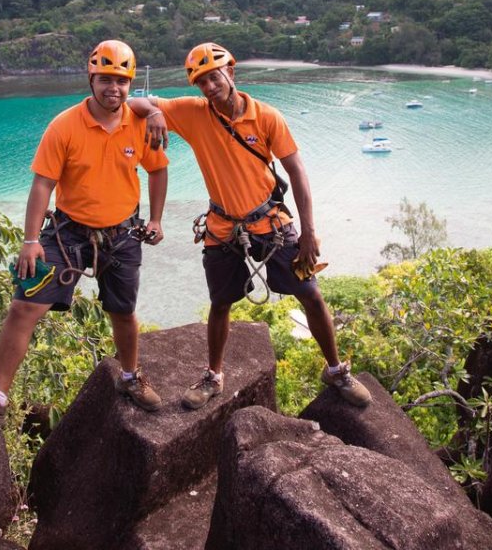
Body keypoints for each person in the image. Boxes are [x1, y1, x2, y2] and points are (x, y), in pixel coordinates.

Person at [128, 42, 370, 410]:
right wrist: (153, 114)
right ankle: (213, 375)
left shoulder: (266, 116)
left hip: (268, 221)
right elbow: (132, 101)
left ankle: (335, 370)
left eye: (214, 76)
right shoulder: (193, 113)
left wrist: (307, 231)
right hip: (222, 224)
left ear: (231, 72)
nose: (210, 87)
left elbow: (297, 173)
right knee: (221, 303)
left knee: (310, 293)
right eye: (201, 82)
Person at [0, 40, 168, 424]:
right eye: (104, 79)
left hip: (122, 233)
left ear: (130, 83)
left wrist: (156, 219)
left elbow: (158, 170)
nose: (112, 88)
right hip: (68, 232)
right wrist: (30, 240)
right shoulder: (65, 125)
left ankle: (130, 377)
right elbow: (42, 185)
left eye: (120, 81)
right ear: (91, 78)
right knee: (23, 307)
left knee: (124, 313)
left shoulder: (139, 123)